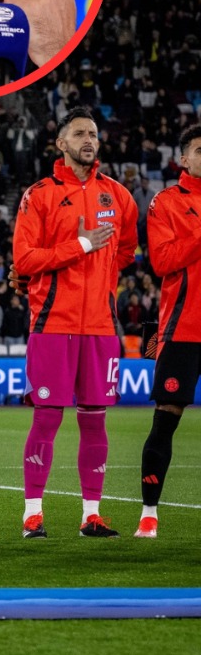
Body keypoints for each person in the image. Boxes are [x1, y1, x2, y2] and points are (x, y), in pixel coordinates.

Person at [12, 106, 136, 538]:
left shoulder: (118, 196)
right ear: (61, 143)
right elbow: (24, 260)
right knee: (47, 418)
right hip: (52, 324)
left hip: (101, 327)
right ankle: (32, 514)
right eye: (80, 133)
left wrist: (103, 284)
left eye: (94, 134)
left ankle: (92, 515)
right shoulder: (40, 194)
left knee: (95, 419)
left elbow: (126, 250)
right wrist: (80, 245)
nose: (89, 140)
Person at [135, 123, 201, 537]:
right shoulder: (166, 202)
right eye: (200, 149)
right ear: (183, 158)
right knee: (166, 419)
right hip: (183, 329)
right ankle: (149, 513)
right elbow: (162, 261)